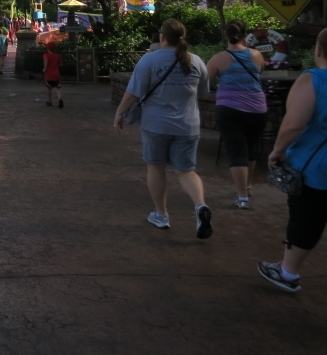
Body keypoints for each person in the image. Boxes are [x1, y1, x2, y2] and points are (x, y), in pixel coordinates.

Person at [114, 19, 212, 239]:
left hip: (156, 124)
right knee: (186, 171)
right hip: (188, 125)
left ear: (162, 37)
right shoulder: (196, 61)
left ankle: (161, 214)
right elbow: (203, 90)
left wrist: (120, 112)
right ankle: (200, 206)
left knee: (156, 167)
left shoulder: (150, 60)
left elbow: (133, 92)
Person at [259, 27, 327, 292]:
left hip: (316, 168)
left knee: (306, 220)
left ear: (318, 50)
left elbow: (293, 124)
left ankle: (287, 273)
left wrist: (277, 151)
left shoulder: (313, 80)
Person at [205, 20, 266, 209]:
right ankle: (246, 187)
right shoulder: (257, 55)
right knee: (251, 148)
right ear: (244, 35)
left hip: (229, 109)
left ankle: (242, 197)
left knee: (237, 152)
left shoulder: (218, 59)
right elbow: (260, 72)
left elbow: (205, 81)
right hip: (257, 108)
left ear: (226, 35)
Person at [42, 42, 63, 107]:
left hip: (49, 75)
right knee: (57, 88)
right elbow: (61, 64)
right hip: (56, 74)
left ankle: (50, 101)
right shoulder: (58, 56)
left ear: (48, 49)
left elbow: (46, 61)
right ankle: (60, 99)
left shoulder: (46, 55)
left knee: (49, 88)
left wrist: (44, 69)